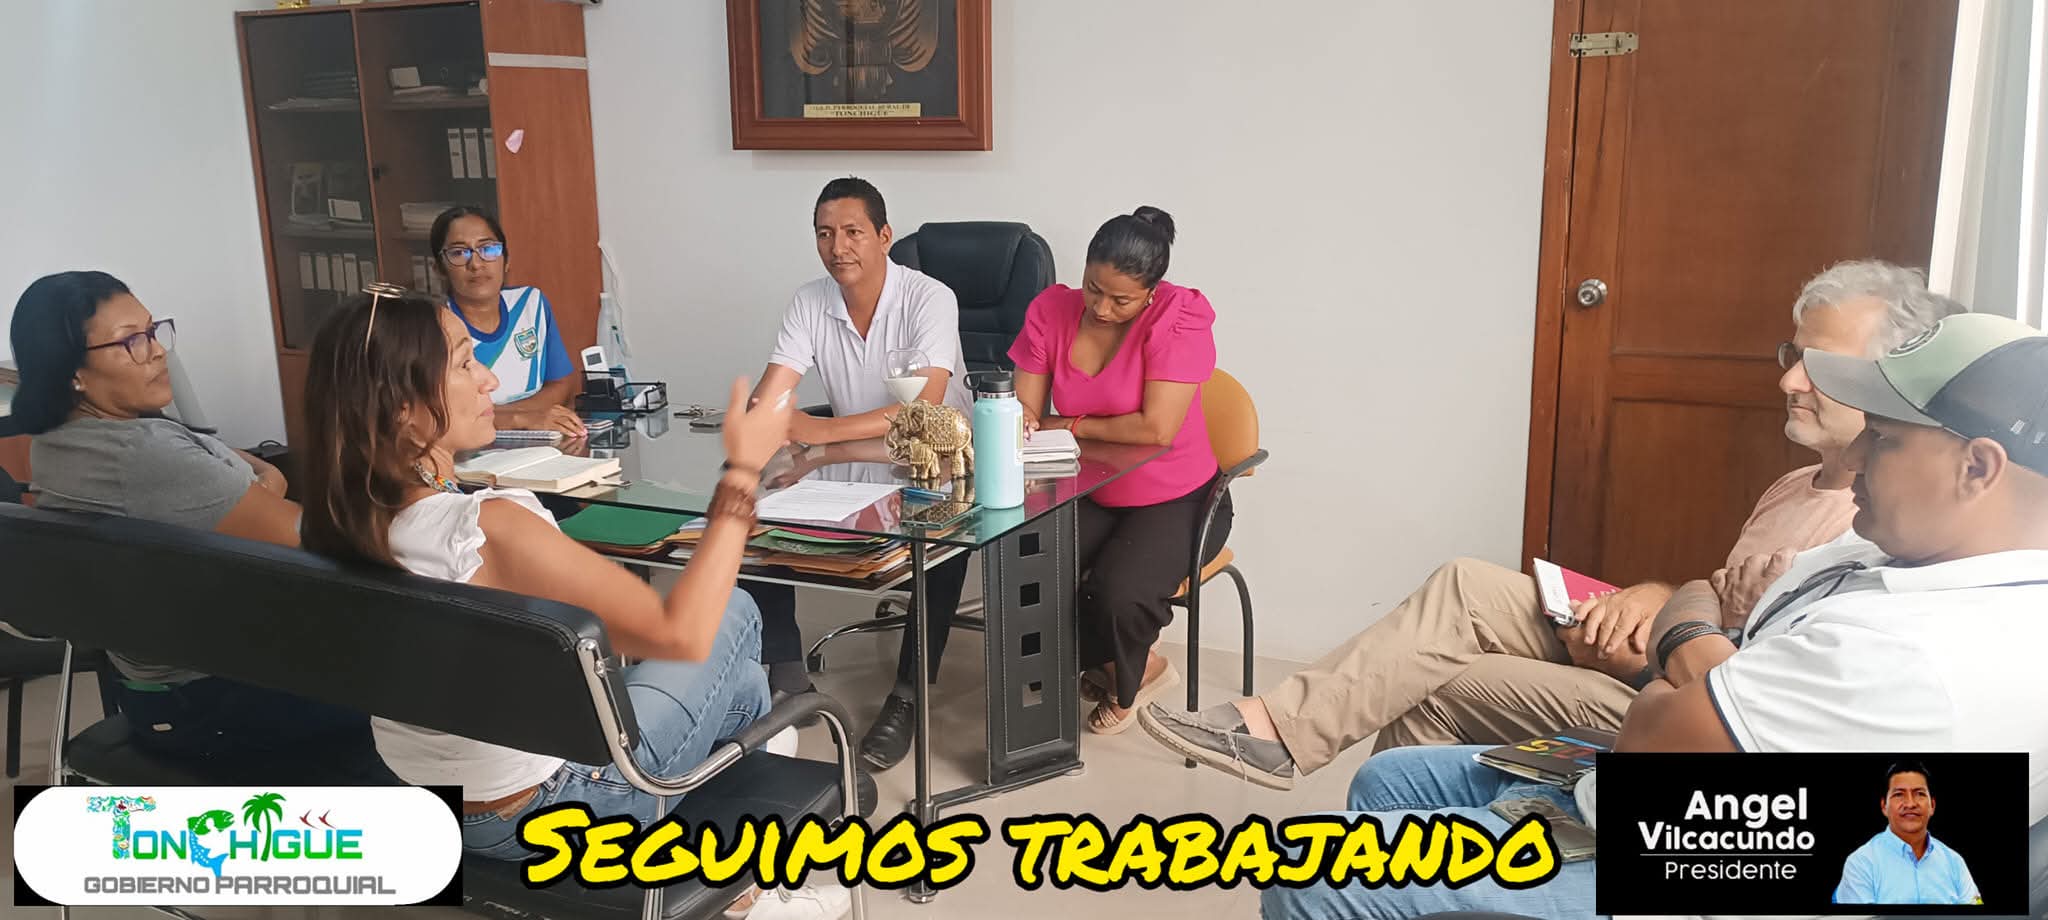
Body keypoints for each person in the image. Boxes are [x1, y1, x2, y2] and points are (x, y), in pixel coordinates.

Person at [1261, 311, 2048, 919]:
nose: (1858, 459)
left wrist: (1692, 645)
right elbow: (1699, 596)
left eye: (1885, 439)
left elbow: (1652, 736)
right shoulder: (1887, 551)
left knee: (1320, 871)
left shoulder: (1924, 653)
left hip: (1703, 868)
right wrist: (1703, 647)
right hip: (1694, 804)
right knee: (1393, 777)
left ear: (1977, 467)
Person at [1144, 261, 1961, 787]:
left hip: (1693, 713)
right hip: (1676, 651)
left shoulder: (1877, 527)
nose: (1789, 381)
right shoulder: (1797, 485)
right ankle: (1279, 732)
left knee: (1442, 684)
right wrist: (1655, 599)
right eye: (1792, 356)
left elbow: (1749, 696)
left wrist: (1664, 639)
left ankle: (1391, 874)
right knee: (1465, 585)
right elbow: (1715, 597)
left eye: (1820, 366)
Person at [296, 291, 847, 919]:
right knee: (736, 611)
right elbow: (680, 634)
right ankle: (753, 888)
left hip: (425, 792)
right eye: (465, 362)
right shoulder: (486, 527)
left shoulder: (335, 524)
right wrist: (744, 470)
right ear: (404, 411)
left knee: (742, 684)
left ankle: (744, 890)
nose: (490, 379)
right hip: (556, 808)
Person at [7, 270, 369, 762]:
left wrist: (250, 481)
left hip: (160, 694)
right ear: (73, 372)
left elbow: (232, 467)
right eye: (130, 342)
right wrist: (264, 483)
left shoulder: (57, 445)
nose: (157, 351)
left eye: (153, 331)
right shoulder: (146, 455)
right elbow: (312, 537)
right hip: (232, 700)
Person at [746, 177, 974, 771]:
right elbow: (774, 392)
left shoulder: (929, 297)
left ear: (884, 236)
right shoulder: (809, 301)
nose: (837, 246)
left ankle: (907, 695)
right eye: (824, 233)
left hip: (938, 462)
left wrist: (817, 434)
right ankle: (787, 676)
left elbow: (924, 407)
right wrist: (766, 412)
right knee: (755, 513)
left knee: (940, 536)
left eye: (852, 232)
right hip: (850, 459)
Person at [1009, 206, 1230, 734]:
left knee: (1118, 591)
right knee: (1029, 563)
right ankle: (1128, 664)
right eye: (1093, 289)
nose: (1101, 308)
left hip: (1181, 496)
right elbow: (1025, 410)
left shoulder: (1177, 316)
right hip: (1095, 489)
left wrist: (1069, 424)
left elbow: (1157, 429)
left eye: (1121, 300)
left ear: (1150, 292)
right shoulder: (1051, 311)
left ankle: (1128, 678)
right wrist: (1025, 421)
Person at [428, 206, 584, 437]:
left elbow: (561, 385)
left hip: (538, 444)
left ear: (506, 260)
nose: (476, 264)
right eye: (459, 253)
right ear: (439, 269)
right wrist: (519, 419)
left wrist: (511, 417)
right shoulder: (434, 326)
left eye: (488, 249)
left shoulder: (531, 303)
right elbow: (439, 414)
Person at [1835, 762, 1981, 904]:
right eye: (1899, 794)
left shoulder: (1954, 862)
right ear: (1884, 806)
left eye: (1919, 794)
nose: (1910, 804)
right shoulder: (1861, 863)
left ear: (1932, 805)